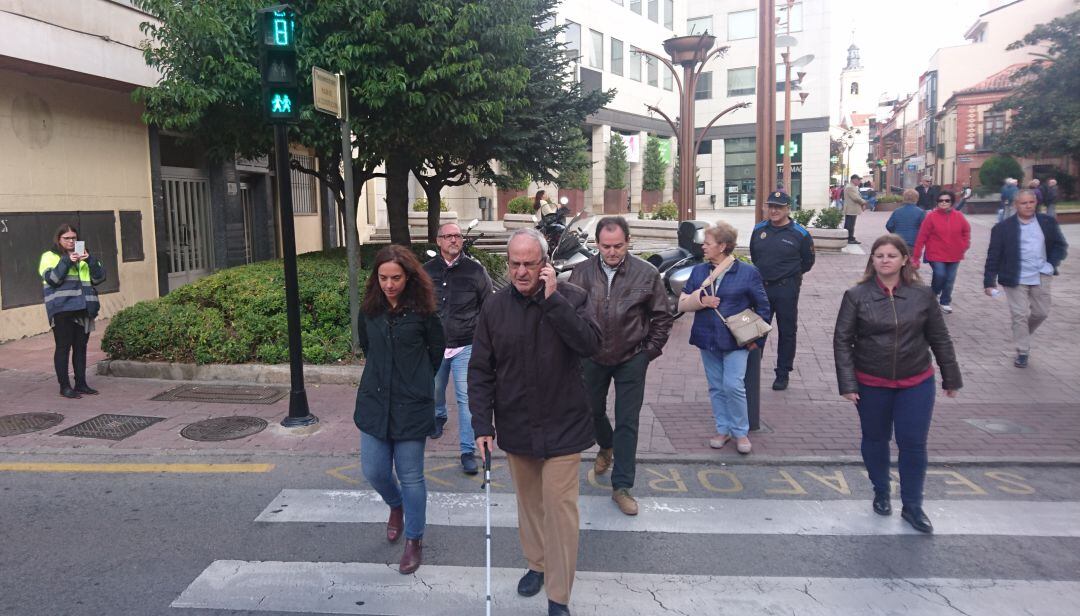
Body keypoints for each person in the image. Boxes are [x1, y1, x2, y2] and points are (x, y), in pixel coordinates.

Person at [470, 228, 600, 616]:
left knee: (560, 512)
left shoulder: (571, 297)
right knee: (529, 506)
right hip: (517, 423)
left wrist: (552, 301)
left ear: (546, 265)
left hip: (564, 425)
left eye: (530, 263)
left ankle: (558, 595)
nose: (522, 271)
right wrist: (482, 425)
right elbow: (480, 370)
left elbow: (590, 345)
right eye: (515, 264)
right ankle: (537, 564)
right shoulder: (494, 308)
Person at [833, 234, 962, 534]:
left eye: (892, 255)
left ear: (904, 259)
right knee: (876, 440)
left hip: (916, 381)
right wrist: (847, 383)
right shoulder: (856, 295)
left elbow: (939, 337)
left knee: (913, 444)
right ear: (872, 260)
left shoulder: (921, 295)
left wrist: (950, 376)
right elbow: (842, 341)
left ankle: (913, 505)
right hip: (871, 382)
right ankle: (881, 489)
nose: (885, 260)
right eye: (879, 255)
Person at [569, 217, 673, 516]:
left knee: (628, 421)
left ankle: (622, 486)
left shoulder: (646, 273)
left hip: (632, 357)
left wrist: (648, 352)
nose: (612, 252)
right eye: (605, 246)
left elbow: (662, 317)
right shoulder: (582, 272)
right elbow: (571, 314)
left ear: (628, 241)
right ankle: (606, 444)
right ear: (597, 244)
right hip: (592, 355)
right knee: (590, 410)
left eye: (617, 246)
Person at [354, 245, 445, 575]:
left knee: (411, 477)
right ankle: (396, 506)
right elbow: (367, 346)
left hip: (411, 405)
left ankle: (414, 540)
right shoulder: (370, 309)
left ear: (408, 277)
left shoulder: (424, 312)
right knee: (374, 470)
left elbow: (436, 352)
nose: (389, 285)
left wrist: (417, 380)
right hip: (375, 401)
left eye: (395, 278)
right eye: (383, 278)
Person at [678, 222, 770, 454]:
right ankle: (723, 429)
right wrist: (702, 300)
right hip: (707, 337)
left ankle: (741, 432)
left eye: (708, 243)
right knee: (716, 387)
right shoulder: (699, 271)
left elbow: (763, 306)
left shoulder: (748, 272)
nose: (703, 246)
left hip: (736, 340)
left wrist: (756, 341)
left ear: (723, 246)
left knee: (733, 385)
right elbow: (683, 301)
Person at [423, 222, 493, 475]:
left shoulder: (475, 271)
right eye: (448, 236)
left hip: (467, 344)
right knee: (435, 389)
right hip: (435, 346)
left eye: (457, 236)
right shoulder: (426, 271)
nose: (454, 240)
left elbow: (489, 305)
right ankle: (439, 415)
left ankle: (467, 451)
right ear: (438, 241)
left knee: (466, 399)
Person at [983, 189, 1069, 368]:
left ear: (1036, 203)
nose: (1028, 206)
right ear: (1016, 205)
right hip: (1015, 276)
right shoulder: (1003, 228)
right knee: (1019, 315)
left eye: (1031, 202)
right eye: (1024, 203)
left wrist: (1051, 264)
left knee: (1041, 313)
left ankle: (1022, 333)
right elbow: (994, 256)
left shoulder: (1047, 222)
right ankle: (1023, 350)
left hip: (1041, 275)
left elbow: (1060, 245)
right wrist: (989, 282)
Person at [749, 191, 814, 391]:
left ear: (788, 209)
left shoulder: (800, 234)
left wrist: (789, 276)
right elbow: (754, 256)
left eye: (779, 207)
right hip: (762, 289)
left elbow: (808, 262)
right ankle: (751, 370)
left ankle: (782, 373)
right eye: (771, 206)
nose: (774, 210)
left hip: (786, 289)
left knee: (787, 332)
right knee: (755, 330)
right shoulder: (759, 230)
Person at [39, 224, 106, 399]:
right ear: (59, 239)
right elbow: (53, 279)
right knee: (63, 348)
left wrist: (89, 260)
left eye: (74, 238)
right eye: (67, 238)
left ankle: (81, 384)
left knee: (81, 348)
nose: (71, 241)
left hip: (84, 308)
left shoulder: (85, 255)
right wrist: (68, 260)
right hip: (62, 309)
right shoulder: (49, 257)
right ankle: (65, 386)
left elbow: (99, 277)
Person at [912, 190, 971, 314]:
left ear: (952, 202)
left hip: (955, 254)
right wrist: (916, 257)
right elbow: (922, 237)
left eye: (947, 200)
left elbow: (966, 231)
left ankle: (945, 301)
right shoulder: (931, 217)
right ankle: (933, 295)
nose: (943, 203)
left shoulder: (959, 216)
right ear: (937, 202)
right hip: (936, 253)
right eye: (941, 200)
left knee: (949, 279)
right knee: (940, 275)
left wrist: (964, 245)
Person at [843, 174, 868, 244]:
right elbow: (855, 198)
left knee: (850, 224)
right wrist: (864, 202)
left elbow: (857, 197)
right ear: (853, 180)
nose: (859, 181)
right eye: (858, 180)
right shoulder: (850, 187)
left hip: (852, 209)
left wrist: (862, 203)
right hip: (851, 209)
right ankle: (849, 238)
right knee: (849, 225)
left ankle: (850, 238)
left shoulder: (853, 187)